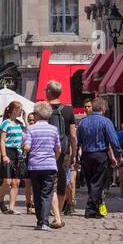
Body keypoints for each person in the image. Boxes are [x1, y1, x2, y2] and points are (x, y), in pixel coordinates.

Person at [77, 97, 120, 217]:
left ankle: (96, 209)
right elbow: (113, 140)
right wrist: (118, 154)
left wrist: (76, 156)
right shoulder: (106, 122)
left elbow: (78, 141)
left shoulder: (82, 122)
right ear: (102, 108)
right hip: (100, 155)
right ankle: (90, 209)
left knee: (92, 182)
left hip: (86, 155)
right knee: (97, 183)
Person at [25, 102, 62, 231]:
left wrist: (23, 145)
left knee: (37, 193)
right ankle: (45, 222)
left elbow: (27, 147)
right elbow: (58, 149)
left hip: (35, 166)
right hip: (50, 165)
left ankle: (40, 221)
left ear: (37, 114)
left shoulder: (31, 128)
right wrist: (54, 159)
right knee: (47, 194)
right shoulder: (53, 129)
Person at [44, 80, 77, 221]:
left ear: (49, 92)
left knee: (48, 179)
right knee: (62, 180)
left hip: (46, 150)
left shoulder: (43, 109)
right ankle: (59, 211)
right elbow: (73, 135)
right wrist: (74, 153)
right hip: (64, 151)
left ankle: (51, 209)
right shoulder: (68, 110)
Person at [0, 100, 29, 214]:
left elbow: (29, 133)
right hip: (8, 151)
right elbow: (2, 140)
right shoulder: (6, 123)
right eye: (19, 108)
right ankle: (0, 199)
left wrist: (25, 120)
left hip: (18, 153)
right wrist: (4, 155)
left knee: (16, 182)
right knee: (7, 180)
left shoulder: (20, 124)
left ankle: (11, 207)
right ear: (13, 109)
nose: (21, 110)